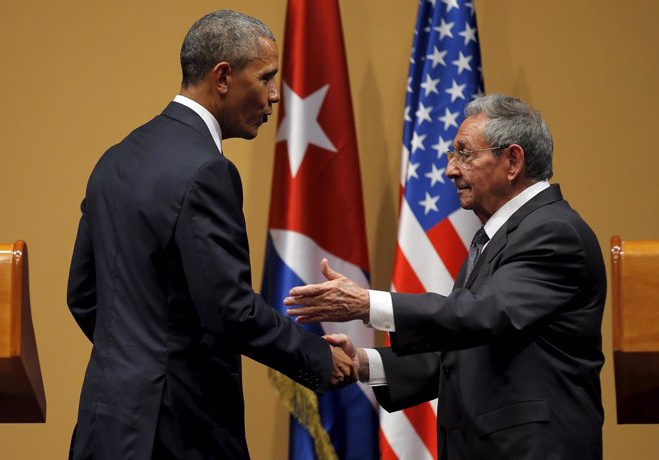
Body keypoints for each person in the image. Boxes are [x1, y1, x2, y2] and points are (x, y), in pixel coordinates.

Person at [66, 10, 357, 460]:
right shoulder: (208, 171)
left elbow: (83, 296)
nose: (276, 96)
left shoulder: (115, 159)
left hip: (105, 425)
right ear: (223, 77)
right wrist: (318, 358)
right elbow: (232, 312)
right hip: (179, 433)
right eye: (266, 78)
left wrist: (135, 365)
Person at [285, 94, 606, 459]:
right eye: (452, 155)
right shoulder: (499, 235)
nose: (451, 170)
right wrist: (363, 362)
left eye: (464, 154)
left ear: (513, 160)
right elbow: (461, 350)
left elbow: (483, 313)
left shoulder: (554, 232)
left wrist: (366, 304)